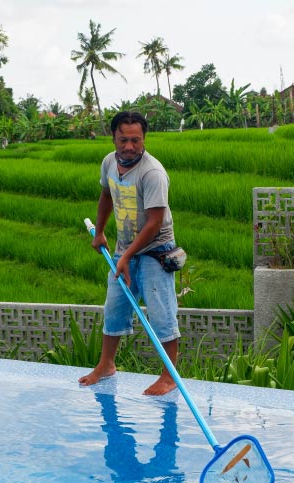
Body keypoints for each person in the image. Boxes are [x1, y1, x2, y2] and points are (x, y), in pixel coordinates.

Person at [78, 111, 180, 396]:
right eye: (124, 140)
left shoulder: (152, 173)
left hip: (155, 251)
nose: (129, 146)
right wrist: (99, 232)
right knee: (114, 308)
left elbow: (154, 222)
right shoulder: (109, 163)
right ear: (114, 138)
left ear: (144, 139)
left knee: (162, 314)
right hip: (125, 249)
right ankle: (106, 365)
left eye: (136, 140)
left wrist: (126, 257)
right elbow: (106, 195)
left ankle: (169, 376)